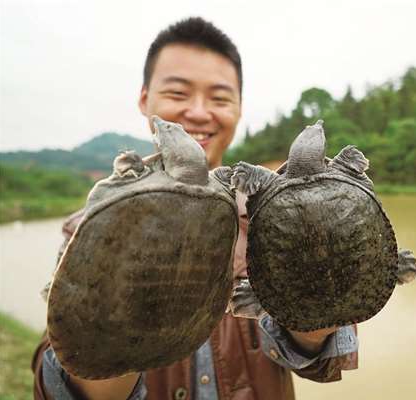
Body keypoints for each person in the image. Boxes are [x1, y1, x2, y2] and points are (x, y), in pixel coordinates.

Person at [31, 16, 358, 400]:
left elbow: (323, 360)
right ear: (144, 99)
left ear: (238, 108)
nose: (200, 113)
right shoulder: (88, 227)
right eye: (178, 93)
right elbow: (57, 384)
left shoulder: (269, 215)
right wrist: (128, 313)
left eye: (219, 98)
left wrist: (312, 305)